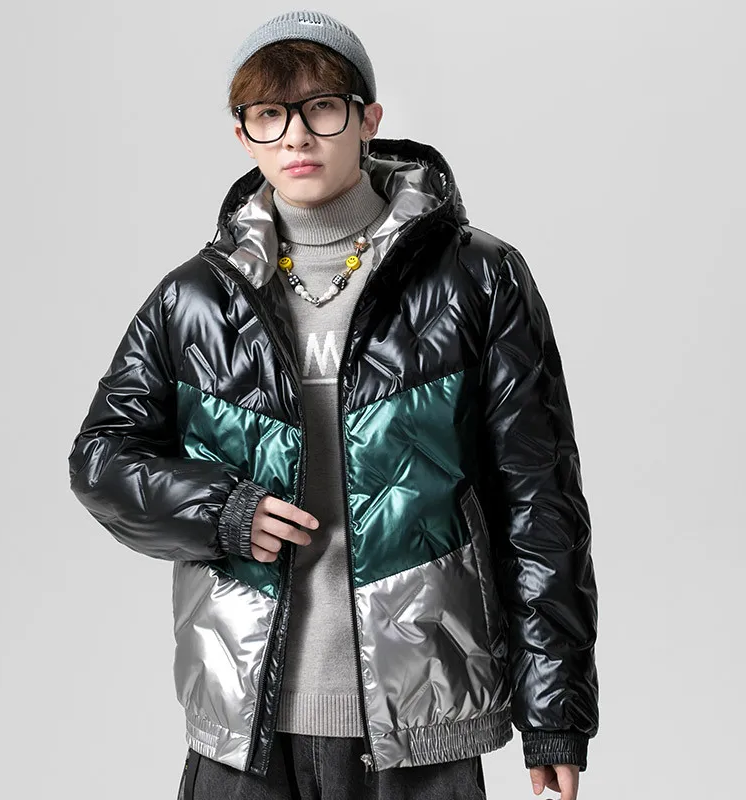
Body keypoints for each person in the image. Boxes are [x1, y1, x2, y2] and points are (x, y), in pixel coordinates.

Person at [67, 9, 599, 800]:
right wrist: (222, 511)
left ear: (368, 119)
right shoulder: (195, 299)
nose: (296, 136)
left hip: (423, 724)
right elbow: (102, 458)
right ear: (243, 135)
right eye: (268, 114)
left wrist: (554, 712)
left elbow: (538, 499)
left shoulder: (479, 279)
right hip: (242, 724)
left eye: (321, 107)